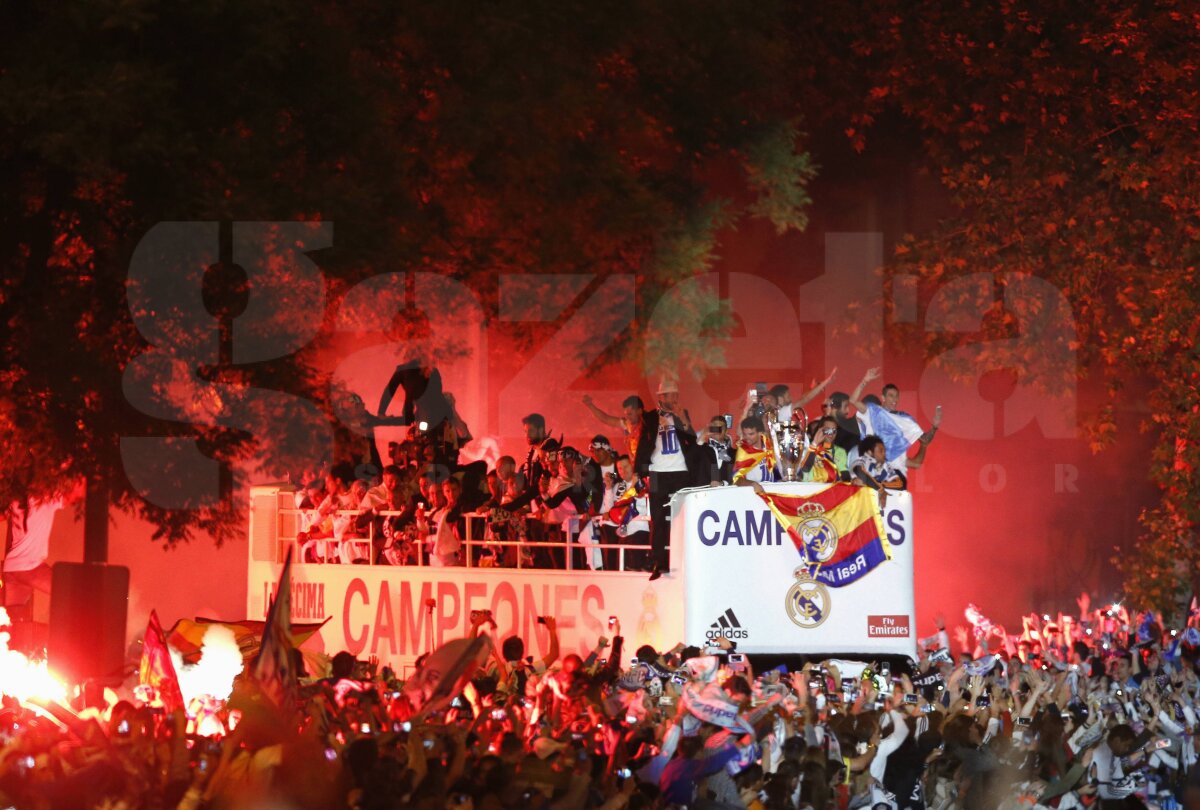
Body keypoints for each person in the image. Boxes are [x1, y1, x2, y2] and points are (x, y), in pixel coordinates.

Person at [632, 379, 696, 580]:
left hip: (680, 472)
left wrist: (680, 417)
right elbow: (643, 444)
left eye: (676, 394)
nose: (675, 398)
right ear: (661, 397)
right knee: (658, 519)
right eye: (671, 395)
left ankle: (686, 560)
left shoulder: (682, 413)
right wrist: (640, 473)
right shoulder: (650, 417)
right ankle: (659, 562)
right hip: (658, 472)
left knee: (684, 517)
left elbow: (692, 439)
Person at [732, 416, 776, 493]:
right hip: (754, 495)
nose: (747, 437)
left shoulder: (770, 447)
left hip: (774, 492)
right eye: (745, 434)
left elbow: (778, 471)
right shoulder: (743, 452)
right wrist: (752, 484)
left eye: (751, 434)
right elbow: (736, 479)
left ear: (760, 433)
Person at [690, 415, 734, 486]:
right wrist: (703, 435)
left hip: (725, 493)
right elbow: (690, 459)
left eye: (721, 427)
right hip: (702, 493)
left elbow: (734, 476)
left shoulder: (732, 452)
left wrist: (722, 484)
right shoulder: (702, 448)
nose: (718, 429)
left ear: (726, 431)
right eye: (715, 426)